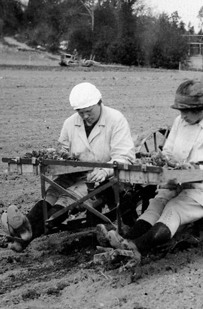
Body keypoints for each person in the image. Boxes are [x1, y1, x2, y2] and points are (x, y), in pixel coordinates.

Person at [96, 79, 203, 263]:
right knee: (156, 204)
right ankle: (126, 241)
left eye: (185, 111)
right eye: (180, 111)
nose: (182, 116)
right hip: (178, 181)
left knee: (174, 208)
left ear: (200, 108)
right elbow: (169, 150)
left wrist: (197, 169)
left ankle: (136, 246)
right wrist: (165, 160)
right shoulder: (180, 121)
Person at [1, 82, 136, 252]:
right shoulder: (70, 123)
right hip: (73, 172)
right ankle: (25, 225)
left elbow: (124, 156)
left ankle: (27, 237)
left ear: (99, 102)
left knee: (69, 197)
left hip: (103, 177)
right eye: (81, 113)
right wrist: (53, 155)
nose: (85, 116)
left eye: (89, 111)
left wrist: (105, 170)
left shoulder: (116, 119)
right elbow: (63, 151)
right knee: (53, 192)